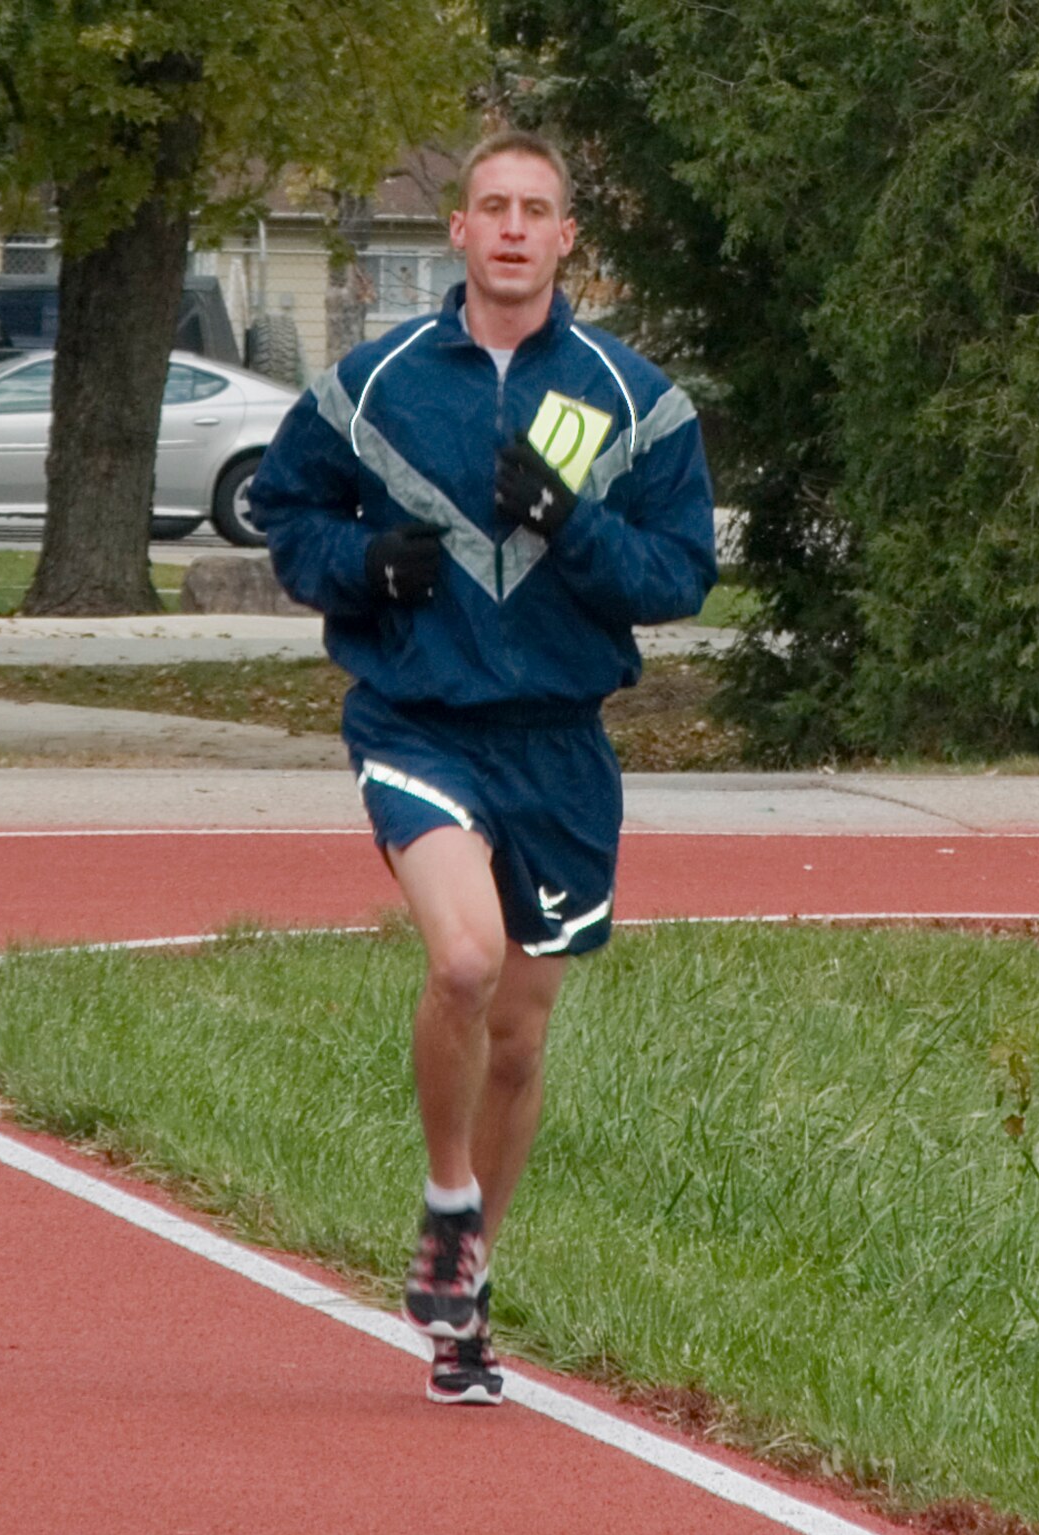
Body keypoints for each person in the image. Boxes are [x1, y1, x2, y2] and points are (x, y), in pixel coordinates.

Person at [249, 131, 717, 1406]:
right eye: (491, 208)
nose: (512, 229)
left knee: (518, 1034)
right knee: (460, 958)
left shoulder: (636, 402)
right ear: (456, 231)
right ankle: (446, 1191)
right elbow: (284, 513)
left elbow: (679, 575)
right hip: (419, 721)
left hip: (561, 745)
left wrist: (572, 522)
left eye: (537, 212)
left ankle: (466, 1295)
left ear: (570, 240)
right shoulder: (374, 381)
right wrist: (364, 567)